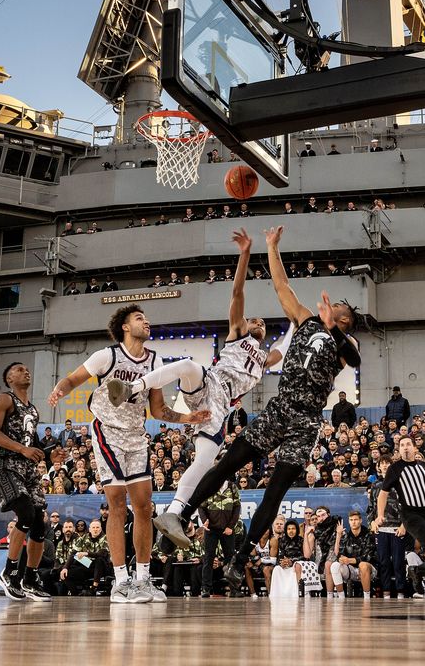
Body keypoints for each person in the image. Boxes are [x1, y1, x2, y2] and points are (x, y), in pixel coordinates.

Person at [150, 227, 359, 589]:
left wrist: (335, 330)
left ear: (343, 319)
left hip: (305, 421)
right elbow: (281, 287)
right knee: (226, 463)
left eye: (337, 310)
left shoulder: (346, 341)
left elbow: (353, 358)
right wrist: (271, 246)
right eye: (331, 307)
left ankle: (241, 557)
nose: (331, 307)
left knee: (274, 492)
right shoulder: (306, 319)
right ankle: (178, 517)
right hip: (280, 408)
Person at [105, 230, 285, 548]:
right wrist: (245, 254)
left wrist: (300, 321)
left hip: (218, 409)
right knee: (188, 366)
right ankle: (133, 387)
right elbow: (237, 293)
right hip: (207, 385)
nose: (257, 322)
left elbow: (285, 345)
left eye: (262, 323)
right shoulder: (239, 332)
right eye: (253, 319)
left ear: (265, 333)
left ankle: (174, 514)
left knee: (204, 463)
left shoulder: (265, 360)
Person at [47, 304, 209, 603]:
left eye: (147, 318)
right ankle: (120, 581)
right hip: (107, 431)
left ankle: (143, 578)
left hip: (136, 436)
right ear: (124, 326)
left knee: (145, 507)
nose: (146, 322)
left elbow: (158, 409)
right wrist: (59, 390)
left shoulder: (155, 361)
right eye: (139, 319)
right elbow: (72, 378)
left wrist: (189, 418)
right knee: (117, 503)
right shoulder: (107, 356)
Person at [0, 362, 51, 602]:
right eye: (19, 369)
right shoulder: (4, 399)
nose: (26, 371)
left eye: (27, 369)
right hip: (7, 464)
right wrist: (23, 449)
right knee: (25, 515)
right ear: (9, 378)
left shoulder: (33, 410)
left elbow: (33, 441)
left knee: (39, 525)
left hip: (28, 468)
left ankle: (31, 579)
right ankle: (10, 572)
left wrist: (49, 453)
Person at [372, 436, 425, 600]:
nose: (405, 448)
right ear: (399, 449)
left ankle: (417, 571)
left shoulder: (424, 467)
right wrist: (380, 515)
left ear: (414, 448)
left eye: (408, 444)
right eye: (402, 445)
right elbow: (383, 494)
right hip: (410, 514)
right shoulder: (395, 469)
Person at [368, 457, 406, 598]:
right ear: (378, 467)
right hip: (381, 529)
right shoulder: (376, 486)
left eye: (387, 463)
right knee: (383, 562)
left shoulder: (401, 484)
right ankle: (386, 593)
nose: (384, 466)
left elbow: (408, 507)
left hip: (398, 529)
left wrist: (404, 525)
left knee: (398, 562)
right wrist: (372, 522)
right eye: (381, 464)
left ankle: (401, 592)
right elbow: (371, 508)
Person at [330, 511, 376, 597]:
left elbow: (368, 557)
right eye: (351, 520)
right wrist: (341, 558)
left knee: (363, 565)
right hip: (351, 570)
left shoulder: (369, 534)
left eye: (356, 519)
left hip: (369, 570)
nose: (353, 522)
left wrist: (349, 560)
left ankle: (367, 597)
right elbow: (339, 554)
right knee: (334, 565)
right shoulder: (346, 536)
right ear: (349, 521)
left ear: (361, 520)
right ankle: (341, 596)